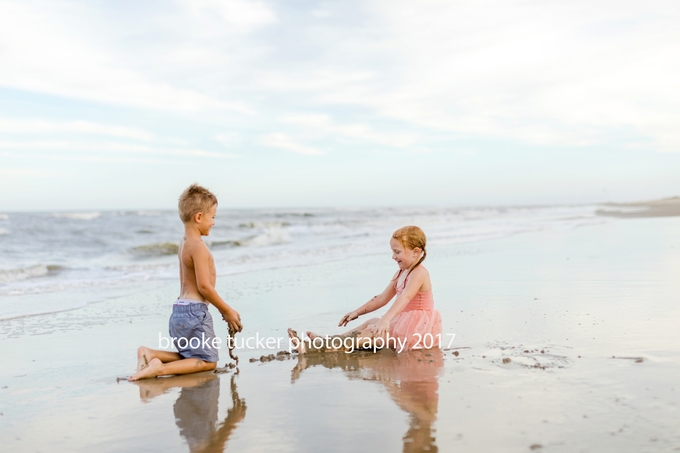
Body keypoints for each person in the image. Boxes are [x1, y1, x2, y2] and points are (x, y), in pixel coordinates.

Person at [128, 184, 242, 381]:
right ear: (199, 217)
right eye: (212, 217)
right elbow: (204, 287)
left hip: (179, 312)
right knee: (208, 361)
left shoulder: (183, 244)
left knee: (191, 356)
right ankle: (160, 368)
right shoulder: (198, 247)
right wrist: (227, 310)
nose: (214, 222)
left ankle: (150, 354)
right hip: (194, 313)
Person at [288, 225, 442, 353]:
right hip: (403, 323)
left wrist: (386, 319)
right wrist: (357, 312)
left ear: (416, 252)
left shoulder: (419, 273)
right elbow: (381, 298)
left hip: (417, 330)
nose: (393, 256)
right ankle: (331, 341)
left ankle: (318, 348)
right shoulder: (400, 273)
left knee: (373, 331)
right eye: (392, 251)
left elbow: (405, 298)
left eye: (397, 252)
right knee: (371, 322)